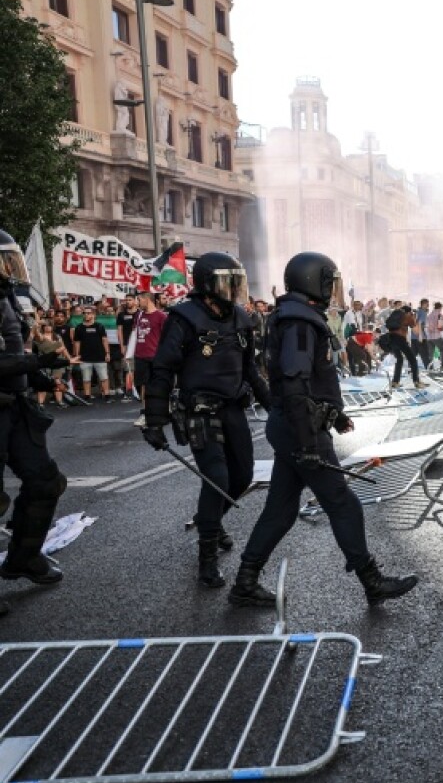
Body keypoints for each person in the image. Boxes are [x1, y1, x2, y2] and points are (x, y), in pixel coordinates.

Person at [228, 252, 417, 609]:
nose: (332, 289)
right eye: (329, 282)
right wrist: (308, 442)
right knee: (343, 505)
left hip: (297, 427)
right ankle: (372, 581)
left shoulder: (295, 317)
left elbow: (309, 385)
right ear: (313, 282)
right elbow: (297, 384)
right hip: (302, 431)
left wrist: (334, 416)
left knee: (280, 511)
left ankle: (245, 581)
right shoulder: (300, 322)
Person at [142, 253, 271, 589]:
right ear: (207, 285)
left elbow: (251, 371)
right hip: (199, 410)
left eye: (236, 281)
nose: (233, 288)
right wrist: (154, 421)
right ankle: (207, 558)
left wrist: (277, 408)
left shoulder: (241, 318)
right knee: (216, 477)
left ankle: (208, 520)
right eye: (226, 281)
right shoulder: (183, 317)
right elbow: (162, 370)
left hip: (233, 408)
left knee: (241, 476)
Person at [0, 229, 70, 603]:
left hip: (14, 405)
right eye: (5, 259)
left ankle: (23, 558)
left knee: (46, 481)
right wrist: (35, 360)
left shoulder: (7, 297)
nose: (11, 267)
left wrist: (35, 373)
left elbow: (11, 352)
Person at [131, 290, 167, 428]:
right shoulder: (139, 315)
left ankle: (160, 412)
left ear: (147, 300)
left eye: (139, 299)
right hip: (140, 356)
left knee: (158, 386)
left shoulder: (161, 316)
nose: (137, 302)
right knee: (143, 385)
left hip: (156, 357)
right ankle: (145, 413)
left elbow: (166, 337)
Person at [72, 306, 112, 402]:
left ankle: (107, 395)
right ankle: (87, 396)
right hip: (85, 357)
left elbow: (104, 340)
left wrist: (107, 353)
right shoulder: (79, 327)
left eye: (89, 313)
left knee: (104, 377)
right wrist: (77, 355)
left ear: (93, 314)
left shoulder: (99, 326)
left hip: (100, 356)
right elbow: (77, 342)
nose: (86, 315)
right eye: (85, 313)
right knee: (86, 378)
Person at [376, 309, 422, 388]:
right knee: (413, 360)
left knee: (399, 359)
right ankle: (416, 381)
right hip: (400, 339)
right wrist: (416, 320)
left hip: (391, 339)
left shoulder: (394, 317)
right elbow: (416, 332)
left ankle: (395, 382)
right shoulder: (408, 317)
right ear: (408, 312)